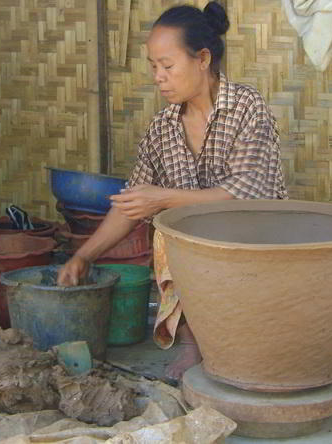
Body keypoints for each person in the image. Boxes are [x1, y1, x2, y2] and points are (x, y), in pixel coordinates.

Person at [57, 1, 288, 381]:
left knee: (177, 221)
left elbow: (247, 197)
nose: (159, 77)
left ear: (202, 59)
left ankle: (243, 337)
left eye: (168, 66)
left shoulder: (247, 107)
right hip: (196, 254)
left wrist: (162, 198)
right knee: (167, 233)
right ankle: (190, 340)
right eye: (153, 67)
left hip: (254, 244)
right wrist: (84, 256)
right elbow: (132, 202)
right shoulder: (163, 126)